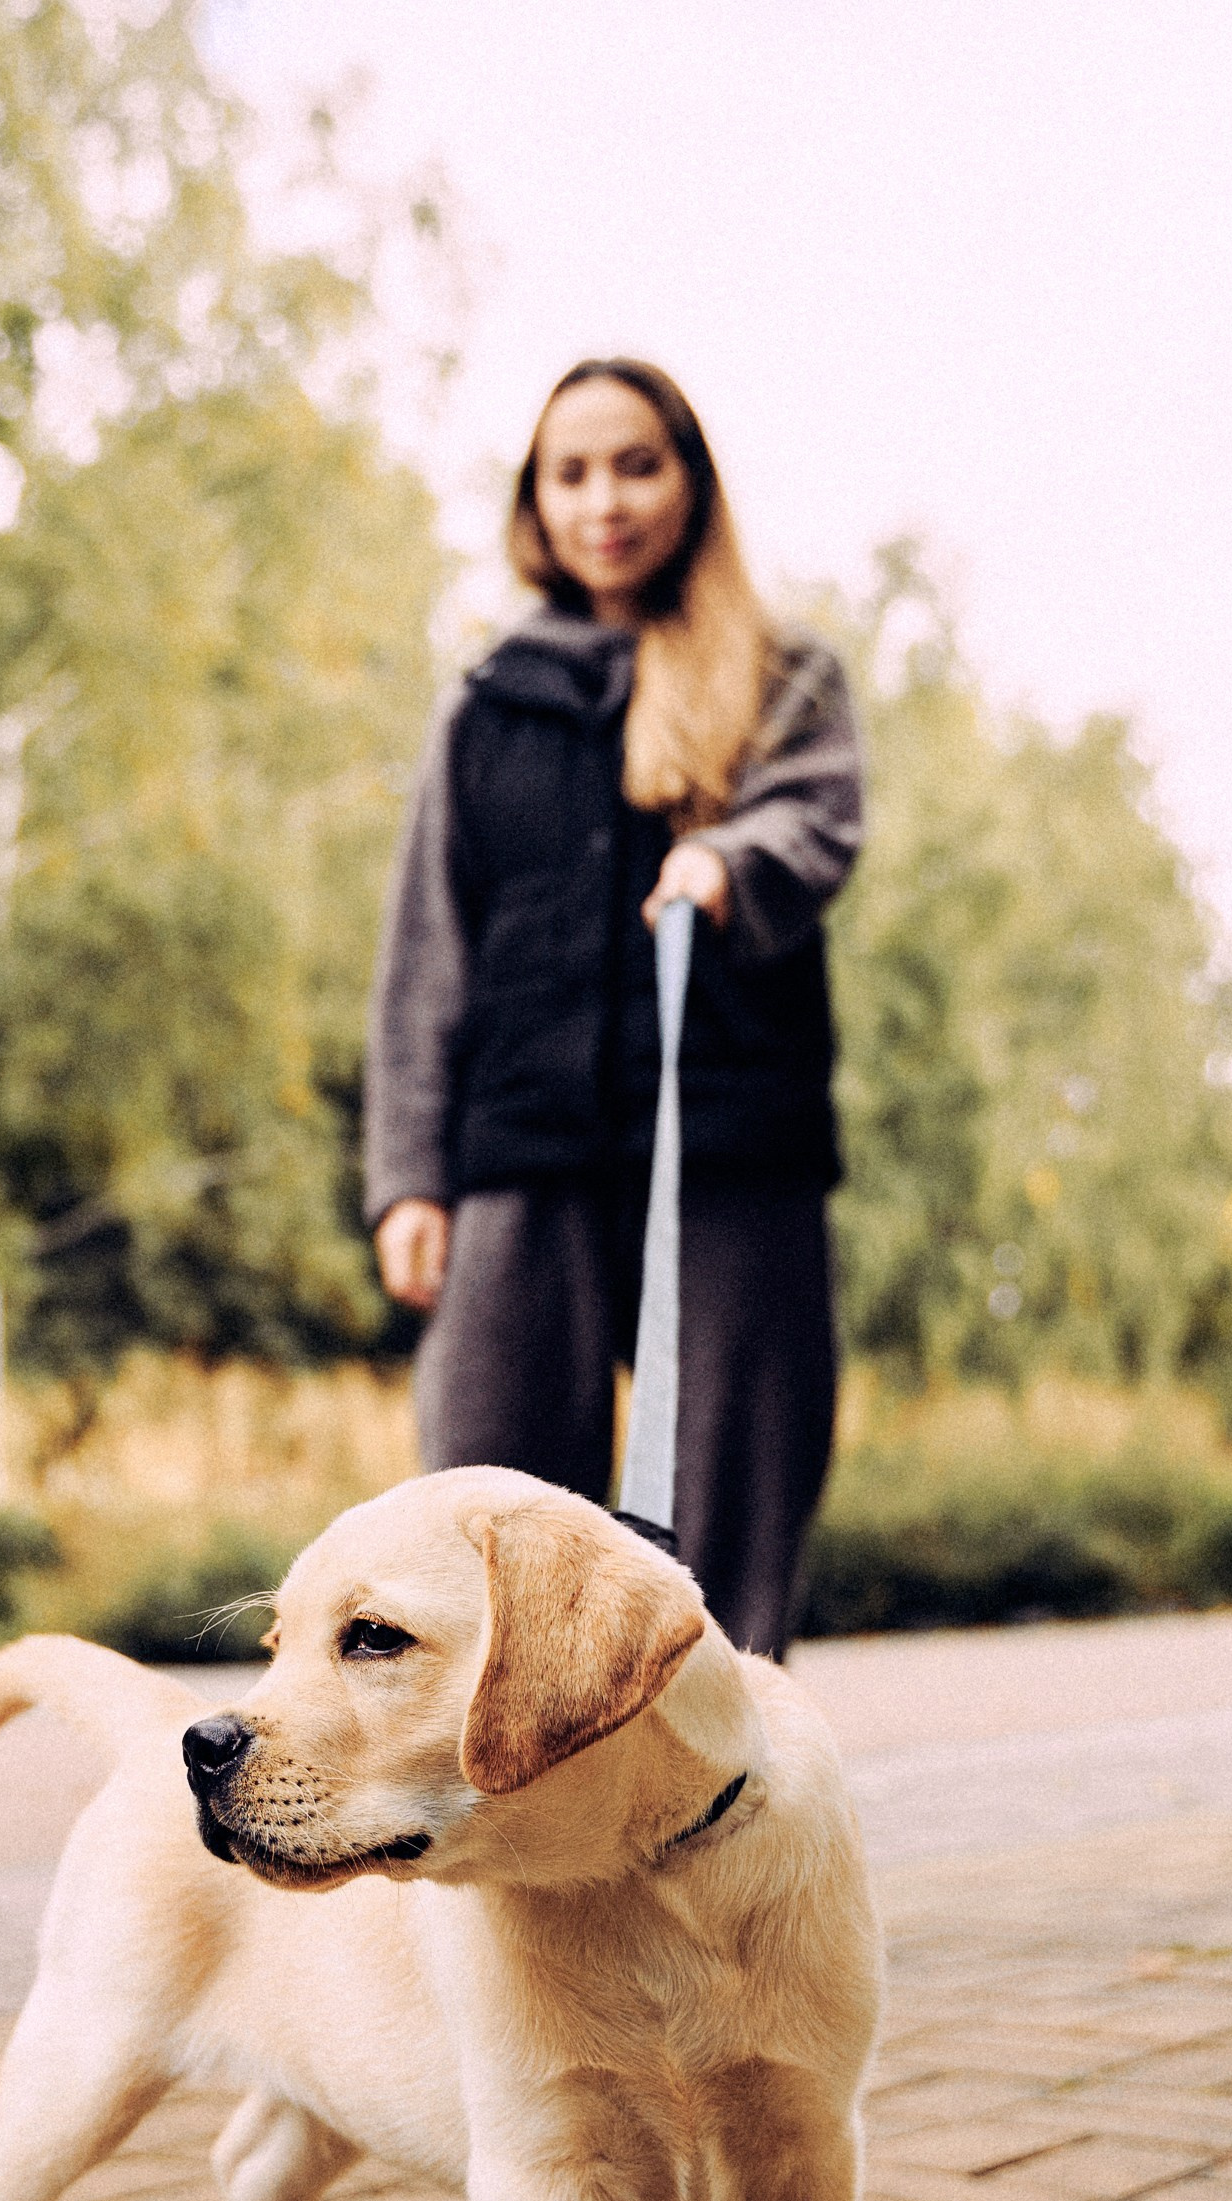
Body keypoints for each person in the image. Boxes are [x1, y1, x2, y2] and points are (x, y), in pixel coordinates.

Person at [364, 357, 862, 1657]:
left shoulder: (779, 672)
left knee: (730, 1504)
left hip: (729, 1152)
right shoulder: (490, 702)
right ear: (535, 501)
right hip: (522, 1153)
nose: (606, 500)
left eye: (637, 464)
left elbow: (820, 819)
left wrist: (728, 860)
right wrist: (409, 1178)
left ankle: (723, 1803)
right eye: (571, 472)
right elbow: (429, 951)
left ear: (691, 482)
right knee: (481, 1494)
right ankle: (504, 1813)